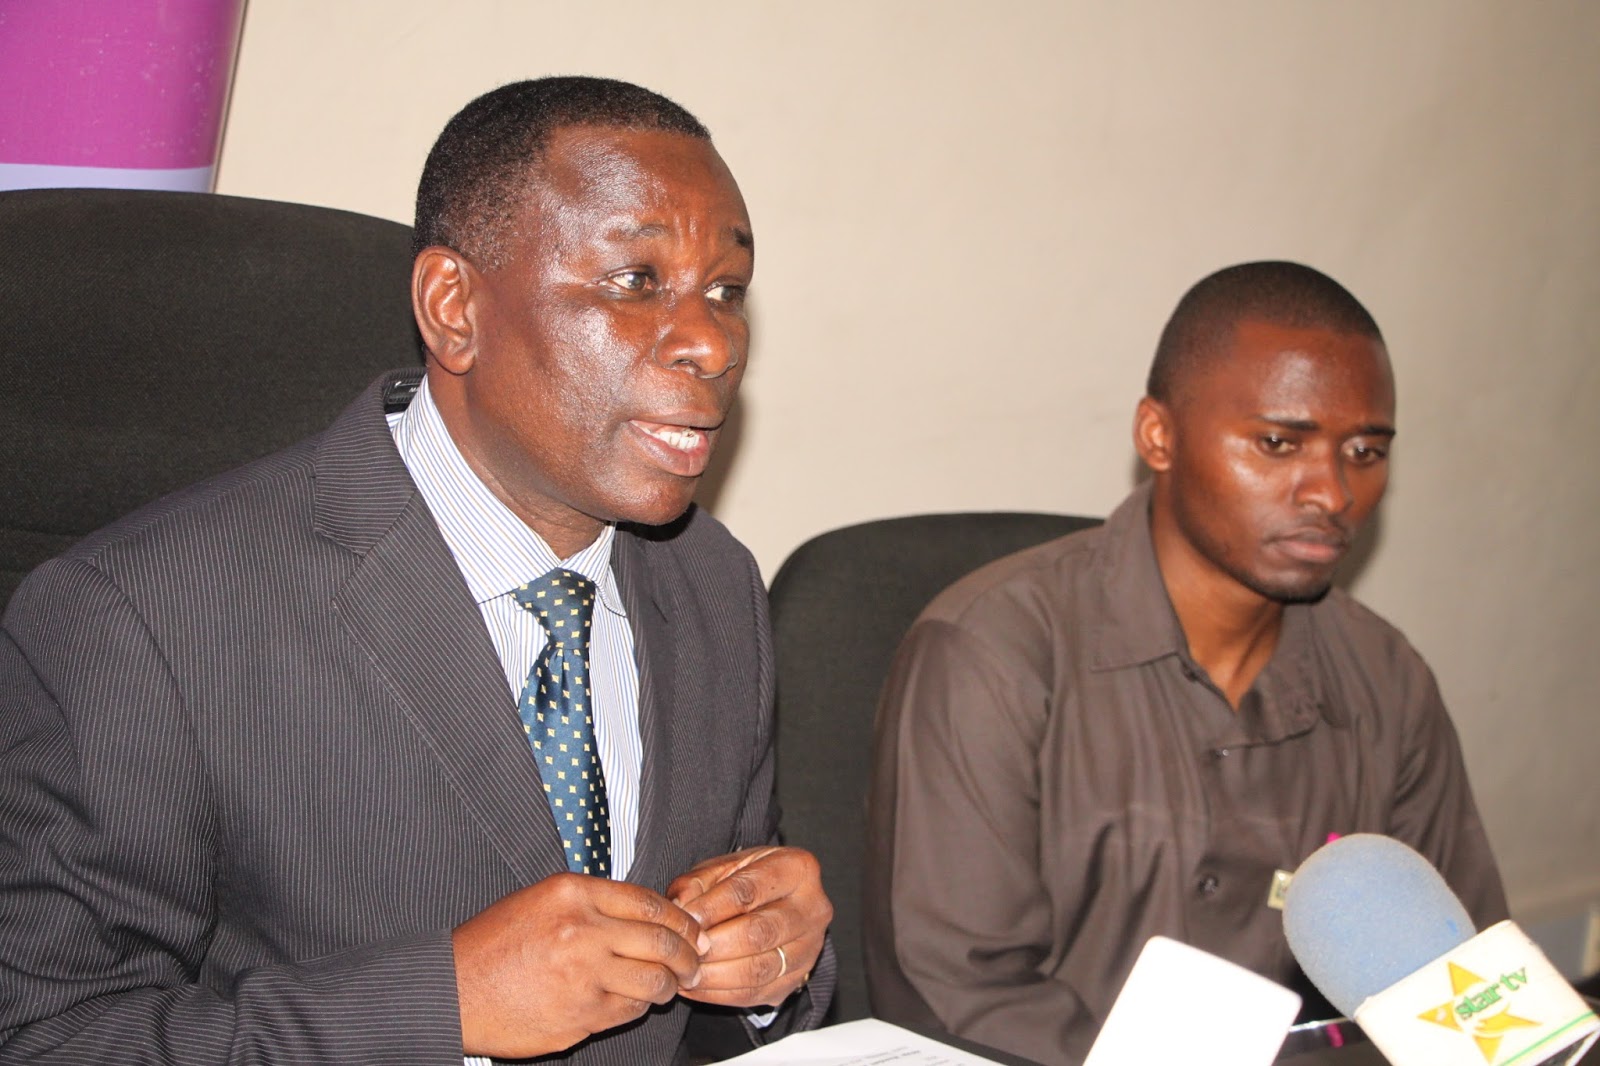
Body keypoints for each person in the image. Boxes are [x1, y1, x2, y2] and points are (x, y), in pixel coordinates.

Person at [0, 76, 833, 1064]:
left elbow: (702, 999)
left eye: (726, 291)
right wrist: (440, 1007)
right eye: (634, 281)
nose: (711, 342)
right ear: (454, 308)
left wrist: (771, 971)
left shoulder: (712, 584)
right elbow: (45, 1038)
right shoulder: (141, 616)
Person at [863, 261, 1507, 1065]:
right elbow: (956, 1000)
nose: (1333, 492)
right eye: (1279, 443)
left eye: (1365, 451)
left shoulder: (1387, 679)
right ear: (1158, 436)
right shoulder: (991, 655)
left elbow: (1466, 994)